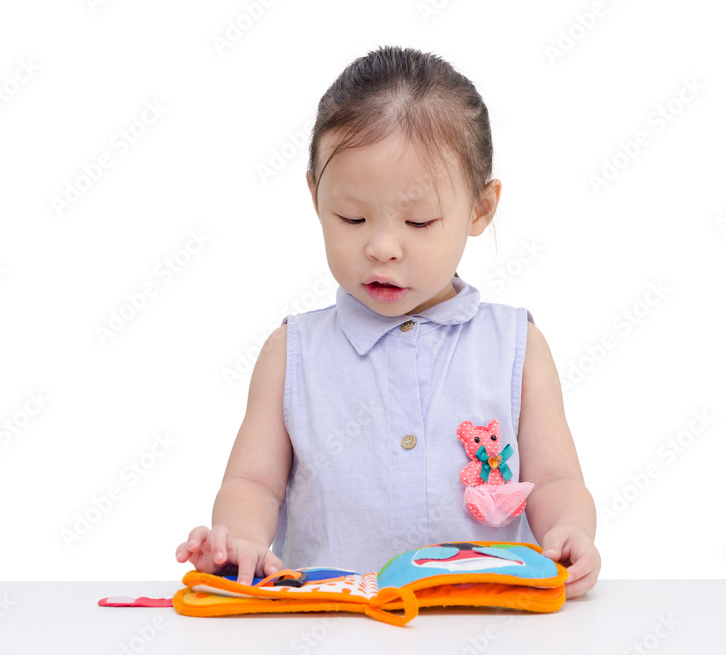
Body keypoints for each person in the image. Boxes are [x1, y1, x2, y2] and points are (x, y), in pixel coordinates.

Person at [176, 45, 600, 599]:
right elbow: (252, 483)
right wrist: (243, 542)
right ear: (315, 195)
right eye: (351, 217)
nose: (381, 247)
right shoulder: (294, 352)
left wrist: (569, 529)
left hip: (479, 620)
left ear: (480, 209)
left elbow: (557, 478)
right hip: (330, 619)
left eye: (419, 221)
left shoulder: (515, 346)